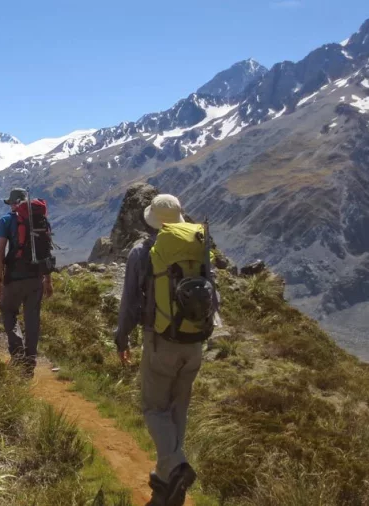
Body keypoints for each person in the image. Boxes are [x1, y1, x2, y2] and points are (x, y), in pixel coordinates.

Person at [114, 194, 217, 506]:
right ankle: (165, 484)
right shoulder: (199, 249)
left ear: (151, 221)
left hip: (160, 342)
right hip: (194, 343)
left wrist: (122, 339)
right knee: (178, 409)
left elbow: (130, 303)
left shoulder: (143, 251)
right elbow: (214, 296)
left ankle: (177, 467)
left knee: (154, 408)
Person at [0, 188, 53, 377]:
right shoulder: (40, 220)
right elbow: (46, 252)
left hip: (14, 276)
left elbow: (1, 251)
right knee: (32, 317)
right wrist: (48, 280)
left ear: (13, 203)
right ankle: (31, 359)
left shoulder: (6, 220)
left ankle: (17, 352)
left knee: (7, 310)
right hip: (36, 276)